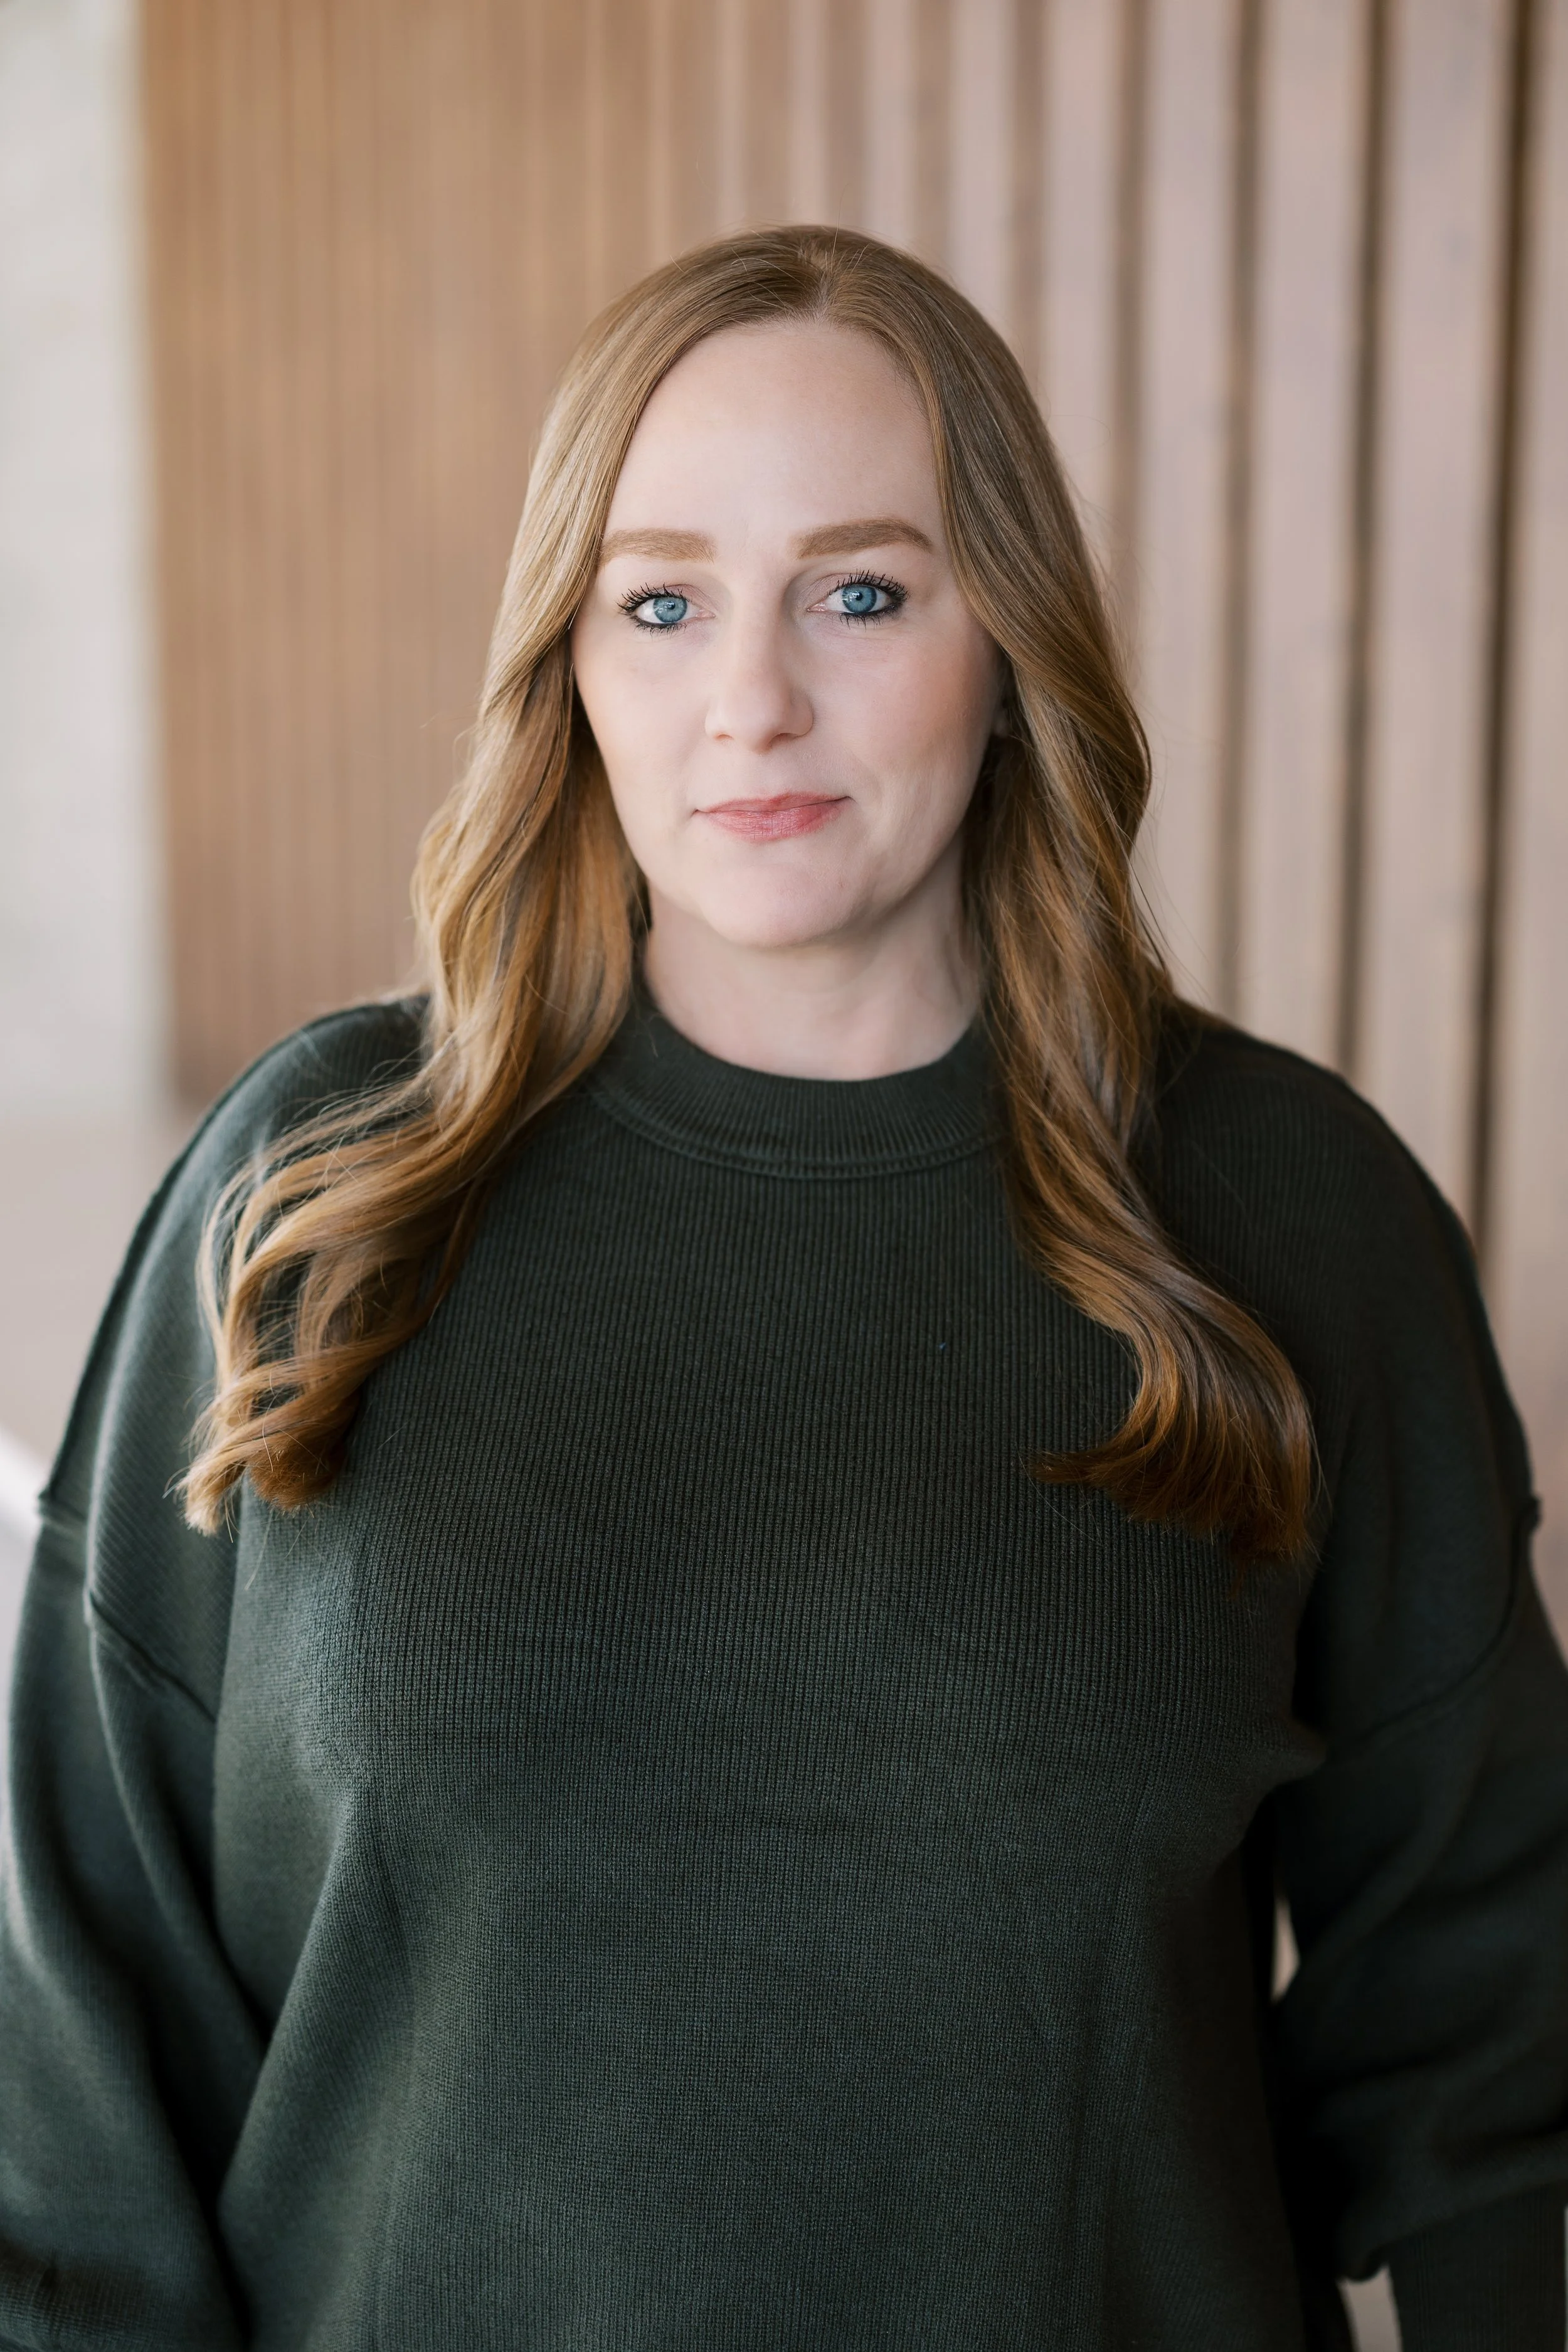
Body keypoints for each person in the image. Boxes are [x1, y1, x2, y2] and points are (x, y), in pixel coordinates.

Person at [1, 225, 1564, 2352]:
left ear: (1004, 634)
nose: (750, 697)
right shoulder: (319, 1194)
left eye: (859, 590)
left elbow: (1493, 2025)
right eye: (659, 602)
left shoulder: (1283, 1213)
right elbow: (74, 2028)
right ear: (571, 663)